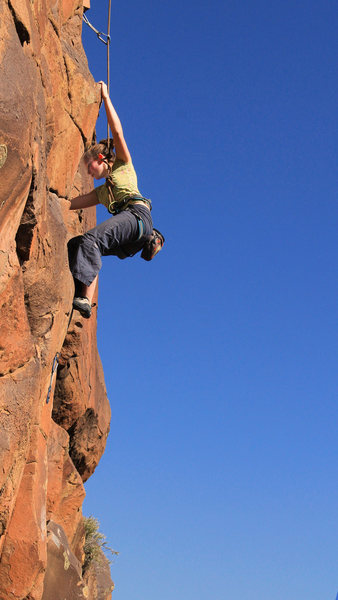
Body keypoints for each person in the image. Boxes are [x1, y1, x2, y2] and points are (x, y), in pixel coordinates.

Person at [67, 81, 163, 319]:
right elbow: (70, 203)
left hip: (137, 216)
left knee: (91, 240)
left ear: (101, 158)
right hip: (131, 237)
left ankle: (85, 299)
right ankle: (82, 295)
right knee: (80, 244)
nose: (90, 173)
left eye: (90, 167)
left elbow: (117, 131)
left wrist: (106, 98)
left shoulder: (123, 164)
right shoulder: (102, 193)